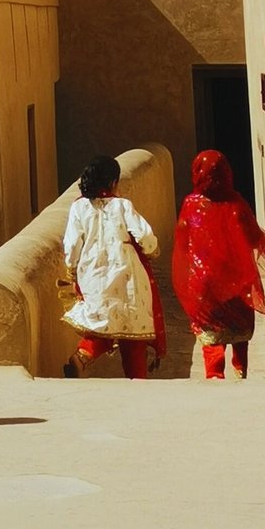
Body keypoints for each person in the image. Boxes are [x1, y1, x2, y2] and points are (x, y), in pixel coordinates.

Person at [173, 149, 265, 380]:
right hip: (235, 280)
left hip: (205, 285)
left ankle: (214, 377)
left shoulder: (190, 205)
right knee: (238, 331)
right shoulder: (237, 204)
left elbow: (182, 243)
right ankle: (240, 372)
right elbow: (253, 238)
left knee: (211, 335)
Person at [61, 154, 162, 379]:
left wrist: (72, 269)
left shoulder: (79, 207)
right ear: (113, 182)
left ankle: (82, 357)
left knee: (101, 325)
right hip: (128, 276)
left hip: (93, 275)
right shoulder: (122, 206)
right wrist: (151, 249)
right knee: (132, 331)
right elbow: (145, 235)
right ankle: (137, 379)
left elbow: (72, 244)